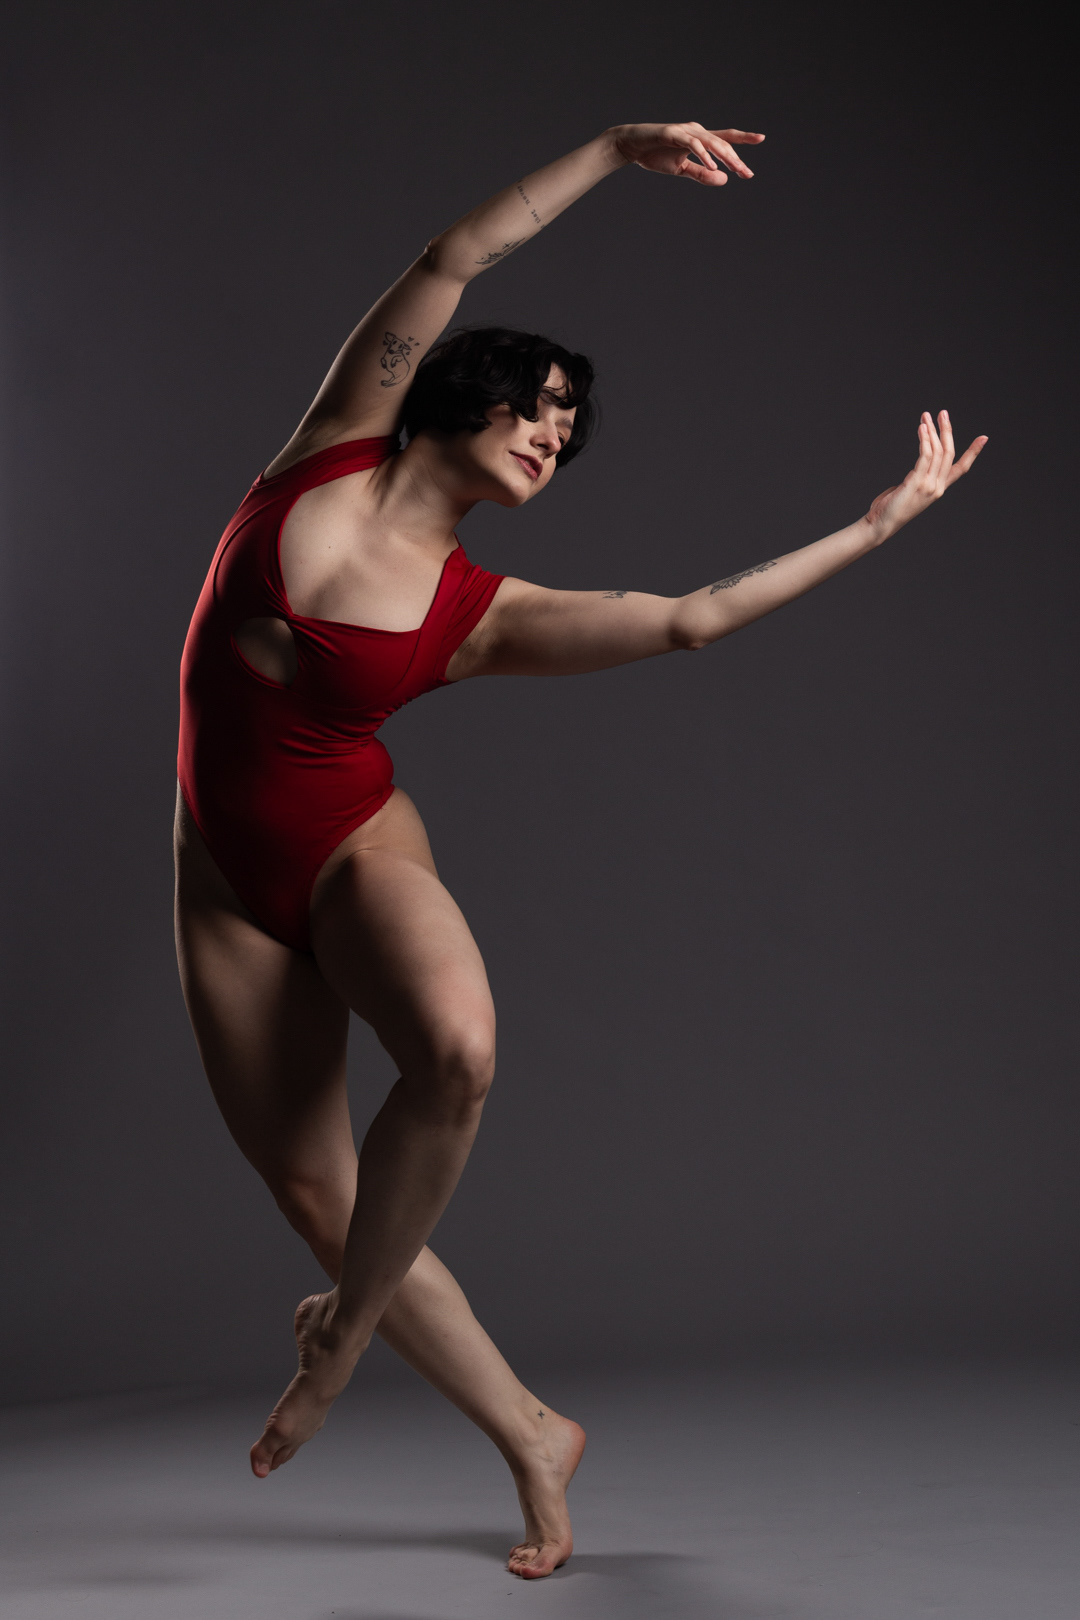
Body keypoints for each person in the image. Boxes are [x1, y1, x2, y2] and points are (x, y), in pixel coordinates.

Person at [173, 121, 986, 1580]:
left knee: (458, 1052)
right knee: (313, 1192)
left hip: (352, 845)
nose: (555, 433)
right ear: (459, 396)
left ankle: (339, 1344)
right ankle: (534, 1435)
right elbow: (455, 255)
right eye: (540, 406)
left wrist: (874, 529)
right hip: (224, 883)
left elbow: (688, 620)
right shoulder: (328, 449)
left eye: (569, 426)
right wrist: (614, 148)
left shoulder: (477, 617)